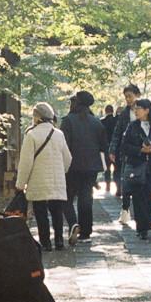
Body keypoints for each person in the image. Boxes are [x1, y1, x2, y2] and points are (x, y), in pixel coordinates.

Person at [14, 102, 72, 251]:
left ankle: (45, 243)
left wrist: (21, 184)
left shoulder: (31, 135)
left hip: (38, 181)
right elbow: (68, 158)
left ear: (37, 117)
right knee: (57, 212)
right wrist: (61, 171)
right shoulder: (59, 134)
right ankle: (59, 241)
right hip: (57, 181)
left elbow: (26, 163)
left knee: (41, 213)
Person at [61, 91, 107, 242]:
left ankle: (74, 223)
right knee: (86, 197)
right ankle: (86, 231)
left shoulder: (68, 121)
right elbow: (103, 145)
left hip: (72, 166)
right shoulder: (96, 122)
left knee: (67, 198)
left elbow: (64, 145)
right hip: (91, 166)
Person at [117, 97, 151, 239]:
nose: (136, 111)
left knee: (148, 196)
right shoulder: (132, 127)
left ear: (147, 110)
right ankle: (141, 226)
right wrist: (140, 150)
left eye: (139, 108)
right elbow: (124, 147)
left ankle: (146, 222)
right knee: (138, 196)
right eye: (135, 108)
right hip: (136, 167)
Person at [109, 84, 142, 223]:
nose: (128, 99)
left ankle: (142, 215)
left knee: (141, 184)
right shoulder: (124, 114)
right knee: (126, 182)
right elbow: (117, 132)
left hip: (142, 153)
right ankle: (125, 209)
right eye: (126, 97)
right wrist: (112, 149)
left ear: (137, 95)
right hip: (127, 152)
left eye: (130, 96)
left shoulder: (145, 109)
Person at [98, 104, 115, 190]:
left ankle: (107, 186)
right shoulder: (116, 121)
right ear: (113, 111)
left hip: (105, 148)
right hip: (116, 148)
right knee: (117, 168)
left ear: (105, 111)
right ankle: (118, 186)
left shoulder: (101, 122)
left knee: (107, 168)